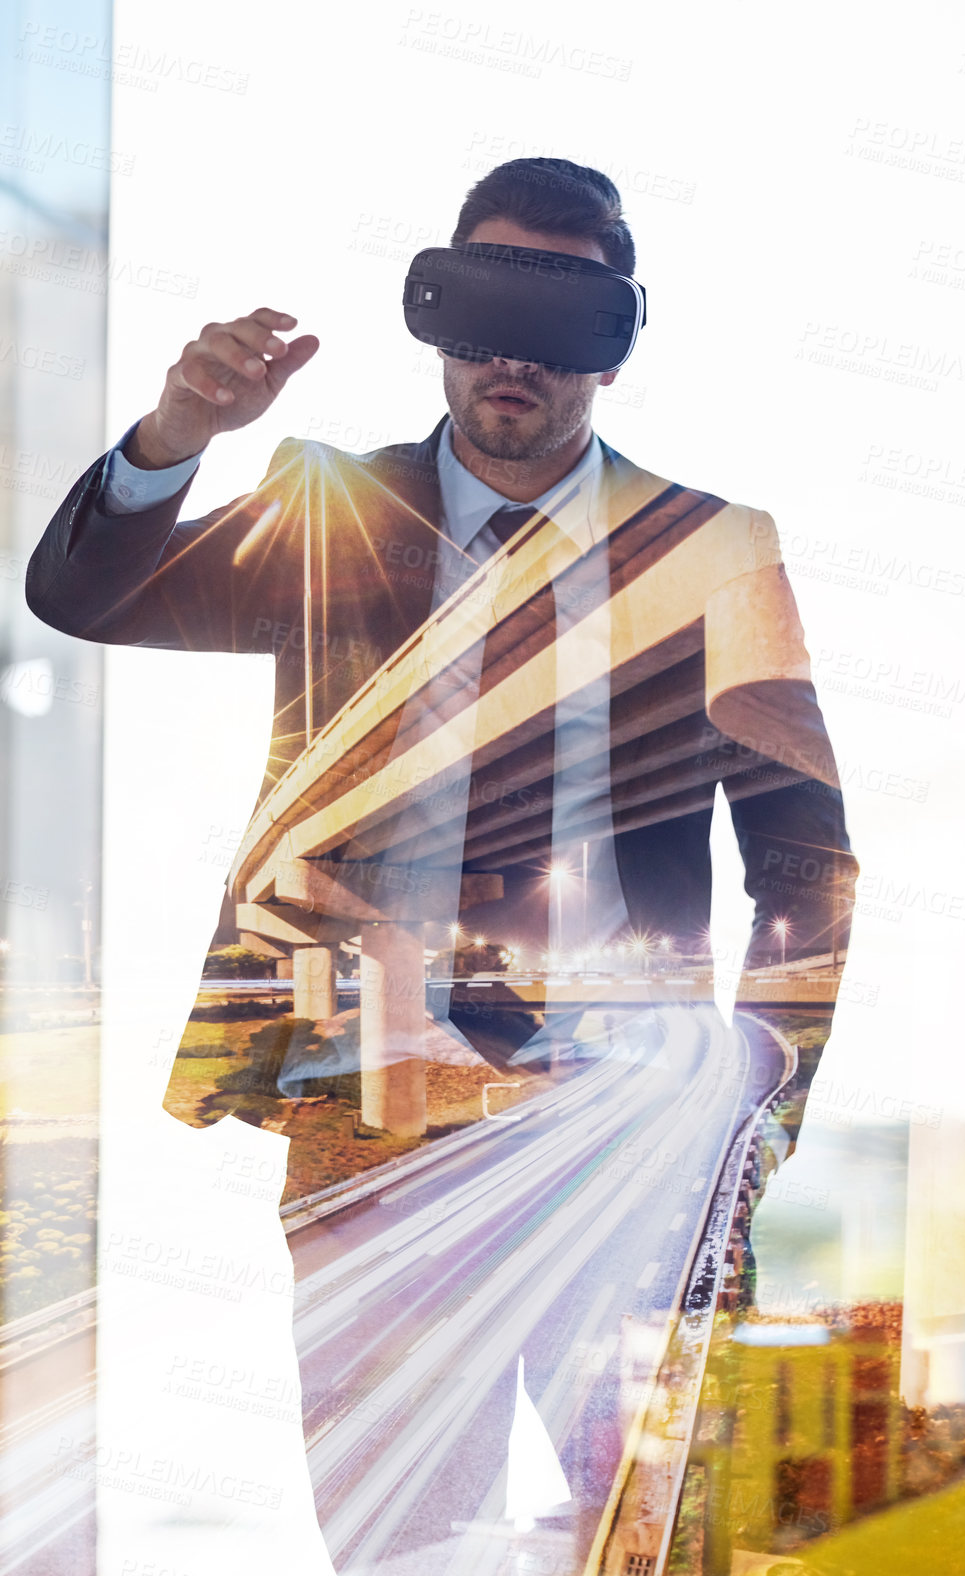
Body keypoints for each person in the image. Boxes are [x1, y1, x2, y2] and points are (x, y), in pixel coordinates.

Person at [25, 158, 857, 1142]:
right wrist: (175, 435)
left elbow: (803, 861)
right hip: (356, 1096)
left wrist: (757, 1116)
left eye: (552, 322)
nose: (513, 356)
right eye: (486, 306)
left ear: (612, 348)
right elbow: (83, 600)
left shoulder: (711, 552)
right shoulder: (328, 511)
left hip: (618, 1111)